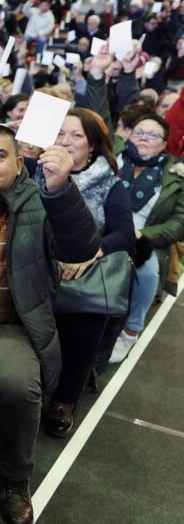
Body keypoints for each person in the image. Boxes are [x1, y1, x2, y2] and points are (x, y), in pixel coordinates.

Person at [0, 125, 100, 524]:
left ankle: (14, 478)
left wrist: (62, 189)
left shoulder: (41, 199)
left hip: (9, 325)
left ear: (19, 162)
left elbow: (80, 247)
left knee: (16, 386)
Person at [41, 109, 134, 436]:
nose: (65, 141)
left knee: (84, 317)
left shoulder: (109, 183)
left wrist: (91, 253)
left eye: (76, 135)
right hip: (39, 264)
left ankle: (64, 399)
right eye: (60, 133)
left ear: (92, 145)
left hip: (82, 273)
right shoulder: (35, 170)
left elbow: (125, 233)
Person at [109, 114, 184, 362]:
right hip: (102, 222)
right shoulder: (115, 153)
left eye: (152, 135)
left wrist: (145, 234)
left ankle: (131, 331)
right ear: (129, 135)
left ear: (164, 144)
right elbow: (99, 115)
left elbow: (179, 222)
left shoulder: (175, 174)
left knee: (147, 273)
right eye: (139, 132)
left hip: (143, 233)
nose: (144, 137)